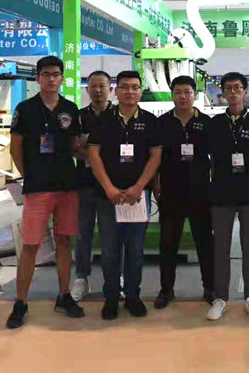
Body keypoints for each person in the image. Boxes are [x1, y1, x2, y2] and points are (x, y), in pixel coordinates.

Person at [6, 56, 85, 329]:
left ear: (62, 78)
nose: (52, 79)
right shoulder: (25, 109)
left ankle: (64, 295)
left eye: (56, 74)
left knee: (64, 241)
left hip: (67, 187)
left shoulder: (70, 109)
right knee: (31, 245)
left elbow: (74, 147)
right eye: (46, 74)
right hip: (38, 188)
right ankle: (20, 302)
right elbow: (15, 149)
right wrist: (29, 176)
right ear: (38, 78)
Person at [87, 71, 162, 320]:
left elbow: (156, 156)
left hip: (138, 197)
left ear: (141, 91)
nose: (130, 91)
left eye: (135, 87)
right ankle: (111, 297)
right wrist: (109, 188)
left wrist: (139, 186)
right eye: (125, 87)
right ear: (116, 91)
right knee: (109, 250)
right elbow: (94, 155)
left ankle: (132, 296)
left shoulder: (150, 121)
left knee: (135, 250)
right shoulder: (103, 120)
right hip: (108, 197)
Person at [206, 72, 249, 322]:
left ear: (245, 91)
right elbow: (209, 160)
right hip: (222, 193)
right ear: (222, 93)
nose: (233, 92)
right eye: (228, 88)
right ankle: (220, 298)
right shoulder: (214, 123)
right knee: (221, 248)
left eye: (237, 88)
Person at [154, 76, 215, 309]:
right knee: (168, 243)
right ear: (172, 95)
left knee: (204, 242)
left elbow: (215, 158)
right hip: (171, 191)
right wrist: (156, 183)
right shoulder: (162, 123)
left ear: (195, 95)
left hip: (200, 191)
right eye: (178, 92)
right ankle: (166, 290)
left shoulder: (207, 123)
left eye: (187, 92)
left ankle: (209, 288)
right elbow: (155, 158)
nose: (182, 96)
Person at [70, 70, 113, 302]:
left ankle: (113, 280)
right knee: (82, 234)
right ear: (87, 90)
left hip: (110, 186)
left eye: (102, 86)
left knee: (110, 236)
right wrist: (93, 150)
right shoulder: (78, 116)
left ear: (110, 89)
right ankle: (81, 279)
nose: (98, 91)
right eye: (93, 86)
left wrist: (90, 146)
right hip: (84, 184)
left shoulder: (117, 115)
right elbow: (73, 147)